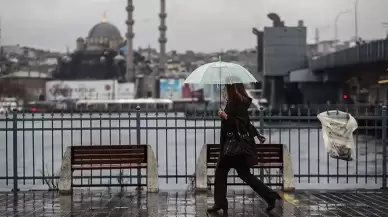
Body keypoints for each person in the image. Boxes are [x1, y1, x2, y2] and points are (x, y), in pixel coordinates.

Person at [207, 82, 282, 215]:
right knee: (233, 173)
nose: (224, 91)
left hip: (234, 147)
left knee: (229, 173)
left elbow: (240, 124)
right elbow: (246, 123)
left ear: (232, 89)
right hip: (232, 146)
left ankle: (221, 202)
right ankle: (269, 196)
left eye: (225, 88)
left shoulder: (238, 104)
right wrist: (257, 134)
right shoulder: (235, 103)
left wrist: (226, 117)